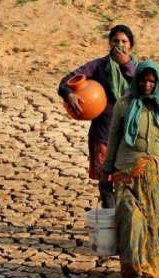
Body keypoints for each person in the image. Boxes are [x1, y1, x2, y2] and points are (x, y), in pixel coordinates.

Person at [103, 60, 159, 278]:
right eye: (143, 80)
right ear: (137, 80)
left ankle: (147, 272)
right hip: (126, 172)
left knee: (151, 226)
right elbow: (114, 138)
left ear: (157, 82)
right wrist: (107, 168)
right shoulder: (124, 104)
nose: (147, 85)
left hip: (155, 174)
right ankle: (132, 273)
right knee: (131, 221)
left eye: (152, 81)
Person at [58, 24, 138, 208]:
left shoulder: (138, 69)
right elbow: (65, 82)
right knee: (106, 184)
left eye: (124, 41)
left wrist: (126, 65)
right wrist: (69, 94)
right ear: (109, 43)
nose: (120, 45)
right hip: (103, 135)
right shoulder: (99, 66)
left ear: (131, 46)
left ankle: (126, 225)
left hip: (130, 137)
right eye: (116, 41)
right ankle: (111, 227)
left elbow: (148, 89)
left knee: (128, 185)